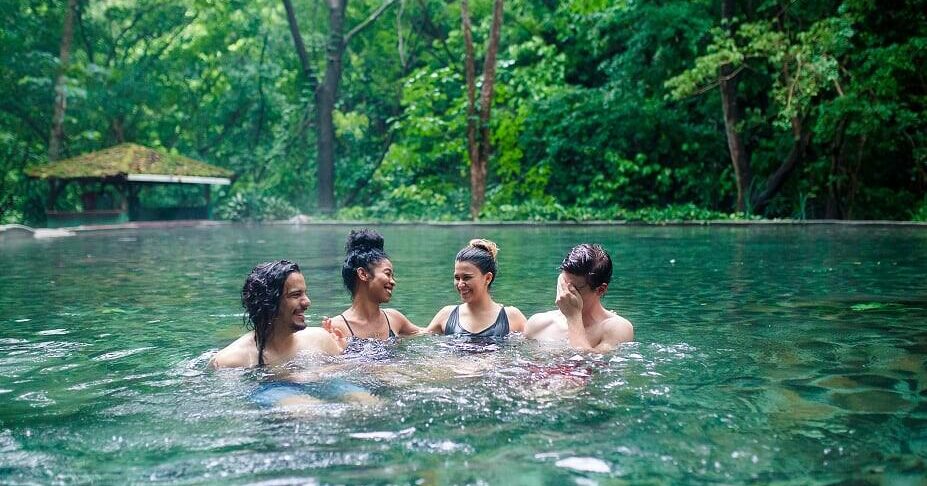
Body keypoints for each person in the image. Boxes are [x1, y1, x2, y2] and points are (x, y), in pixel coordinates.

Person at [210, 260, 345, 369]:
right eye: (296, 295)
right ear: (269, 302)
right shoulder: (231, 360)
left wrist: (341, 350)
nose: (307, 302)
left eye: (305, 293)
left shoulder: (320, 339)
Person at [525, 244, 633, 352]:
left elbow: (584, 364)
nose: (565, 293)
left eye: (574, 288)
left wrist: (573, 317)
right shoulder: (538, 324)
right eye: (564, 283)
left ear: (600, 290)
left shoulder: (617, 328)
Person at [322, 229, 421, 346]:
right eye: (387, 274)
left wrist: (445, 314)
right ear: (363, 274)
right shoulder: (336, 327)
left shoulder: (394, 319)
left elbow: (430, 333)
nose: (393, 282)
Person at [426, 239, 527, 338]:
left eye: (467, 278)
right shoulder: (447, 314)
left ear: (487, 278)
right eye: (457, 278)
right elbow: (419, 334)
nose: (460, 284)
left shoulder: (512, 317)